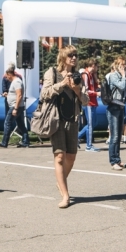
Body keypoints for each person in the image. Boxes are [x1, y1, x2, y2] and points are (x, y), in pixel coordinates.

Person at [41, 46, 87, 208]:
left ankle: (61, 183)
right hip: (56, 120)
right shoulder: (51, 73)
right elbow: (44, 93)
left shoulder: (78, 76)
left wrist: (76, 90)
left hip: (72, 120)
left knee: (71, 157)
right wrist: (61, 84)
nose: (73, 57)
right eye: (70, 55)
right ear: (63, 57)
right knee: (60, 156)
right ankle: (65, 195)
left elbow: (86, 100)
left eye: (75, 55)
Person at [104, 57, 126, 170]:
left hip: (120, 106)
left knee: (118, 136)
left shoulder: (121, 77)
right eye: (122, 65)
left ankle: (117, 160)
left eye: (125, 65)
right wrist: (124, 75)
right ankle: (113, 161)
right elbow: (122, 86)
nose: (124, 67)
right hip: (113, 107)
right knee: (114, 136)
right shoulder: (113, 75)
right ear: (116, 66)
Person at [0, 66, 29, 148]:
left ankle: (4, 142)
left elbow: (19, 95)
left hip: (15, 106)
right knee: (21, 124)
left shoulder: (17, 82)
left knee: (7, 123)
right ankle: (25, 141)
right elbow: (16, 94)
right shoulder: (15, 82)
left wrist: (15, 108)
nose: (6, 78)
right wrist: (8, 95)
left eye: (7, 77)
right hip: (16, 106)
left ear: (10, 74)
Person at [78, 61, 100, 151]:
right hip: (88, 102)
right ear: (93, 66)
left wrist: (95, 77)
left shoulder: (91, 75)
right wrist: (96, 93)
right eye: (97, 67)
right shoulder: (85, 74)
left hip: (93, 102)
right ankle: (89, 145)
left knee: (93, 123)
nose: (97, 69)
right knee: (90, 124)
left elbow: (96, 85)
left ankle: (77, 137)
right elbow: (86, 90)